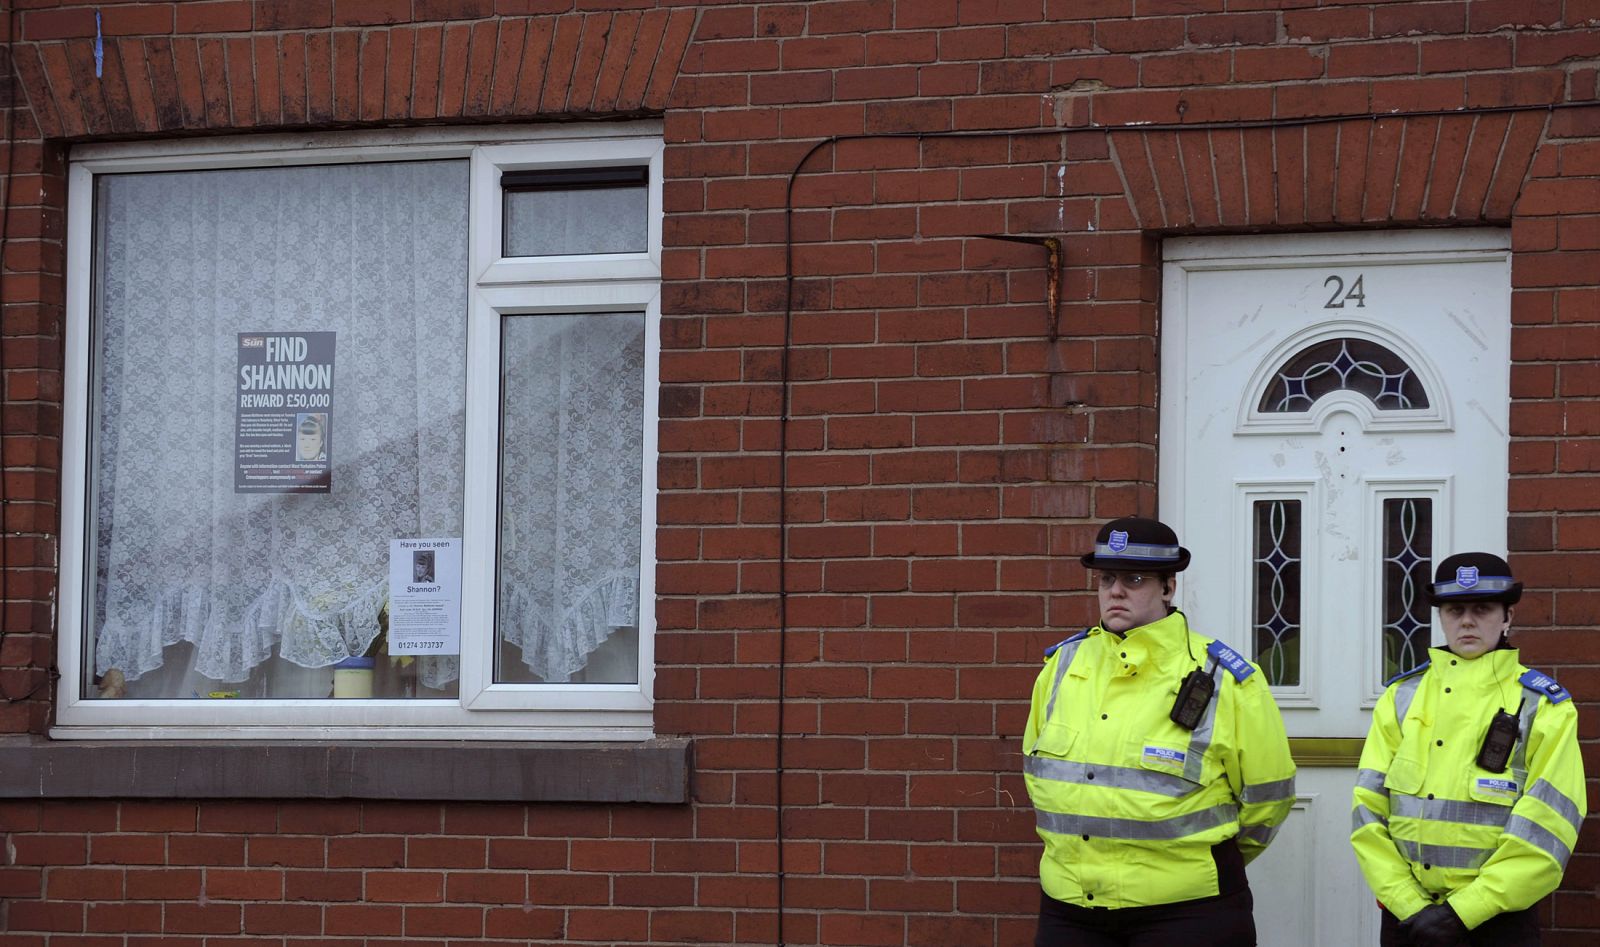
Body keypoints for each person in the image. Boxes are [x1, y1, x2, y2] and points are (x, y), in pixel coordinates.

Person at [1022, 516, 1297, 946]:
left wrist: (1205, 860)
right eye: (1106, 578)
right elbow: (1037, 776)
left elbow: (1269, 797)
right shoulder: (1062, 666)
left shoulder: (1223, 676)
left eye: (1134, 579)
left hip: (1188, 913)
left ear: (1168, 588)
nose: (1115, 591)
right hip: (1071, 908)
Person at [1351, 553, 1586, 947]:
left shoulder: (1543, 706)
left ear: (1507, 616)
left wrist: (1467, 910)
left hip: (1498, 921)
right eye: (1454, 609)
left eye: (1483, 608)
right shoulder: (1400, 697)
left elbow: (1550, 826)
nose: (1467, 620)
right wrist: (1409, 904)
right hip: (1409, 919)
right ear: (1441, 617)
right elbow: (1368, 810)